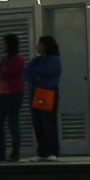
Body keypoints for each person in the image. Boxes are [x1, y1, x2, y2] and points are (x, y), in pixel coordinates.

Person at [27, 29, 66, 159]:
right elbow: (27, 73)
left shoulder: (54, 60)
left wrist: (38, 75)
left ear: (45, 46)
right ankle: (42, 151)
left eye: (39, 44)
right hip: (35, 93)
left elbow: (48, 73)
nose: (37, 46)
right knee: (38, 124)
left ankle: (52, 151)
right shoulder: (37, 60)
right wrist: (38, 76)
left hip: (48, 93)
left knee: (49, 123)